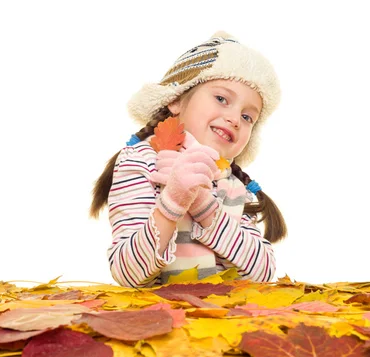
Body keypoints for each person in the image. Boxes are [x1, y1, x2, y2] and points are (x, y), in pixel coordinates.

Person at [90, 31, 287, 288]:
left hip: (226, 321)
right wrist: (172, 203)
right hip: (155, 320)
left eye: (248, 117)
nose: (235, 119)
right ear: (176, 100)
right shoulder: (140, 161)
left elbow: (263, 272)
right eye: (221, 99)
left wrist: (205, 207)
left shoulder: (235, 186)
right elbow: (127, 273)